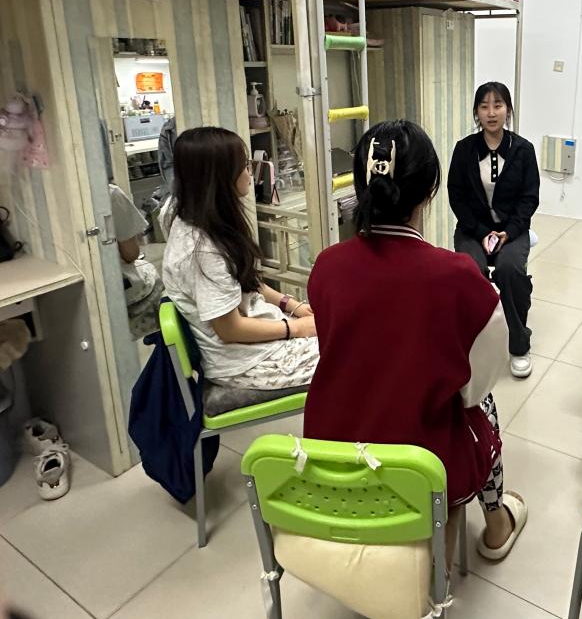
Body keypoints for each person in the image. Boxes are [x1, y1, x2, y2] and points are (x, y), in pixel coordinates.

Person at [305, 120, 527, 565]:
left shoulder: (326, 266)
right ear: (429, 192)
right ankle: (496, 523)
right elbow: (478, 383)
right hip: (420, 468)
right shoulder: (458, 276)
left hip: (332, 458)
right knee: (483, 408)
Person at [161, 127, 318, 388]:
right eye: (244, 166)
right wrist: (297, 329)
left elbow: (245, 281)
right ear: (220, 178)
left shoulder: (188, 215)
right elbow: (230, 329)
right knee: (357, 352)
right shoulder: (201, 251)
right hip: (247, 362)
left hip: (257, 337)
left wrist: (292, 305)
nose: (249, 173)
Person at [448, 82, 540, 378]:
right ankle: (473, 343)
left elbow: (529, 198)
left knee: (509, 270)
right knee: (470, 271)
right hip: (473, 229)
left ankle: (518, 345)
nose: (491, 112)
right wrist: (480, 233)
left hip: (511, 230)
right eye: (484, 106)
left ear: (508, 110)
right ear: (476, 112)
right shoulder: (464, 149)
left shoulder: (523, 150)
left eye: (498, 105)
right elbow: (456, 196)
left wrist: (508, 233)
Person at [108, 183, 163, 339]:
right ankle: (153, 339)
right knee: (152, 274)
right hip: (118, 287)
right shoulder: (110, 194)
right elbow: (131, 254)